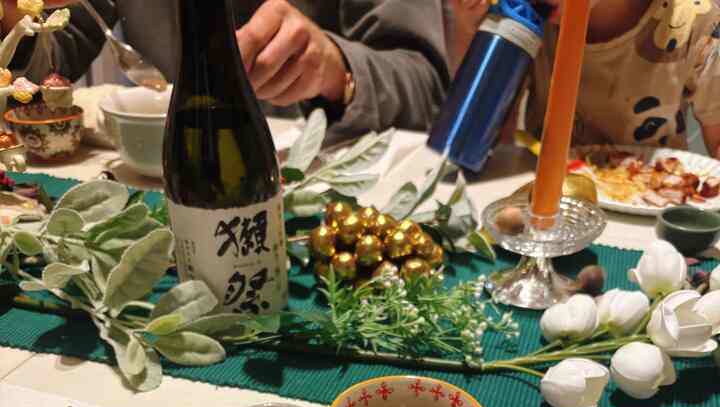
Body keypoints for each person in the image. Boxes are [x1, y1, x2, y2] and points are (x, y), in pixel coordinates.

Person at [2, 1, 450, 140]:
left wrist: (337, 70)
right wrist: (11, 18)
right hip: (167, 186)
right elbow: (50, 60)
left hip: (326, 189)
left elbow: (427, 89)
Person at [447, 0, 720, 157]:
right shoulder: (528, 14)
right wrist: (469, 30)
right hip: (542, 199)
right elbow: (485, 139)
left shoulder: (694, 19)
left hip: (652, 210)